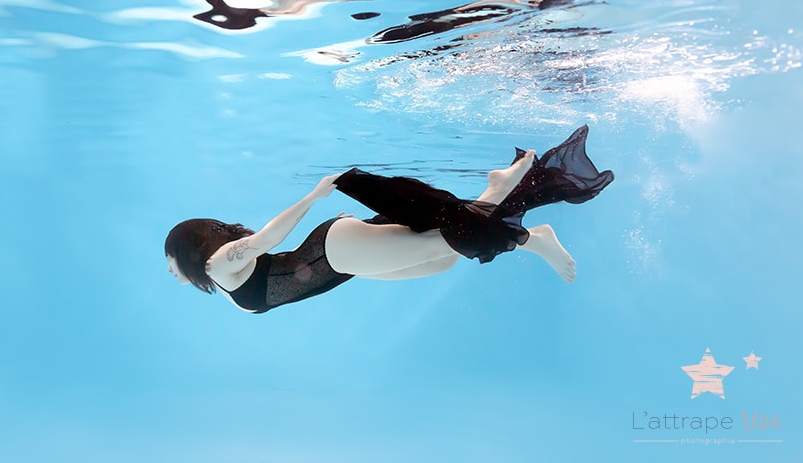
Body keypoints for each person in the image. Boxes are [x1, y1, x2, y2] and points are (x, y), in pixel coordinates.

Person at [164, 126, 614, 314]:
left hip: (335, 252)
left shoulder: (218, 264)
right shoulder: (219, 281)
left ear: (189, 252)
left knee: (450, 244)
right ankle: (515, 212)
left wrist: (315, 195)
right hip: (344, 262)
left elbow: (266, 238)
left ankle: (519, 212)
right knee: (444, 257)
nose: (169, 270)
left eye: (170, 260)